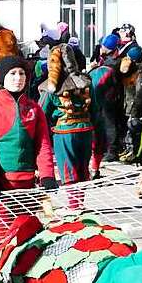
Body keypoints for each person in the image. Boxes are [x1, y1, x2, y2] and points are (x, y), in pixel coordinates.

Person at [0, 58, 58, 238]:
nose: (18, 78)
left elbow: (43, 145)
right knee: (4, 242)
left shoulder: (35, 109)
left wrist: (48, 175)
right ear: (2, 78)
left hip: (27, 189)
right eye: (12, 73)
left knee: (26, 240)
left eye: (21, 73)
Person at [39, 44, 95, 184]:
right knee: (83, 168)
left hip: (65, 132)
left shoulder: (51, 87)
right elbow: (96, 108)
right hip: (86, 129)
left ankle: (73, 205)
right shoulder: (86, 82)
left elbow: (41, 112)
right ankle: (80, 203)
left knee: (68, 170)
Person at [88, 54, 137, 175]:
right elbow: (96, 92)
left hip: (101, 103)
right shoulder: (106, 74)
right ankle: (108, 153)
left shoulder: (114, 75)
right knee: (104, 126)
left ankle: (101, 160)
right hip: (94, 104)